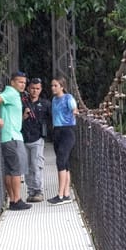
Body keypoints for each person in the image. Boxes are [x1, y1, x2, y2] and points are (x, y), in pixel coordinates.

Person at [0, 71, 30, 210]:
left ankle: (12, 200)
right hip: (13, 136)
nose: (22, 85)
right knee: (16, 170)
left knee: (9, 171)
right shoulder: (12, 93)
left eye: (24, 82)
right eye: (20, 82)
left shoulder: (11, 94)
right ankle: (17, 199)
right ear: (12, 82)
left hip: (6, 136)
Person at [47, 76, 77, 205]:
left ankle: (59, 195)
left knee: (60, 161)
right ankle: (66, 194)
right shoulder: (54, 100)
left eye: (55, 86)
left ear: (62, 87)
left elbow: (74, 109)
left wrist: (75, 112)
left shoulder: (68, 98)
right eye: (52, 85)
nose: (53, 88)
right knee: (65, 164)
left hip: (67, 131)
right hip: (57, 131)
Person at [21, 77, 51, 202]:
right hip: (23, 138)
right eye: (32, 88)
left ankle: (38, 191)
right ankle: (31, 191)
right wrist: (24, 116)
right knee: (26, 166)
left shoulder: (45, 104)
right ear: (28, 88)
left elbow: (53, 118)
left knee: (36, 164)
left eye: (37, 89)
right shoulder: (22, 103)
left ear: (41, 89)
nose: (34, 91)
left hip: (37, 138)